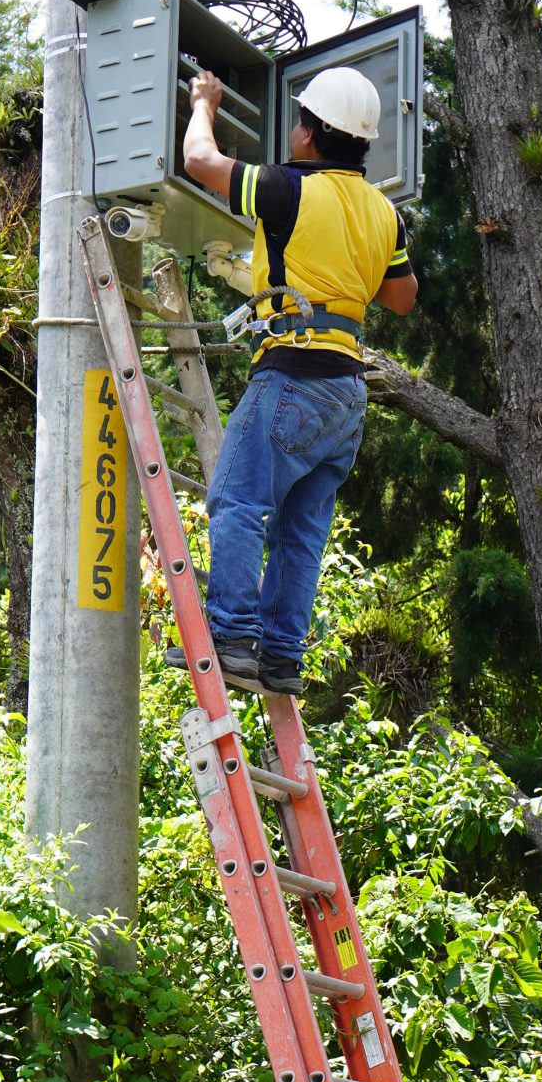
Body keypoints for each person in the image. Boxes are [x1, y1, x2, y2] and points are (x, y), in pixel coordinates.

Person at [176, 62, 418, 697]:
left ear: (309, 133)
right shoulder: (384, 213)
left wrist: (205, 99)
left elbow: (200, 159)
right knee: (301, 530)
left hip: (292, 373)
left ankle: (230, 639)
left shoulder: (288, 189)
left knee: (236, 501)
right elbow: (402, 297)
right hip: (346, 393)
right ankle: (281, 655)